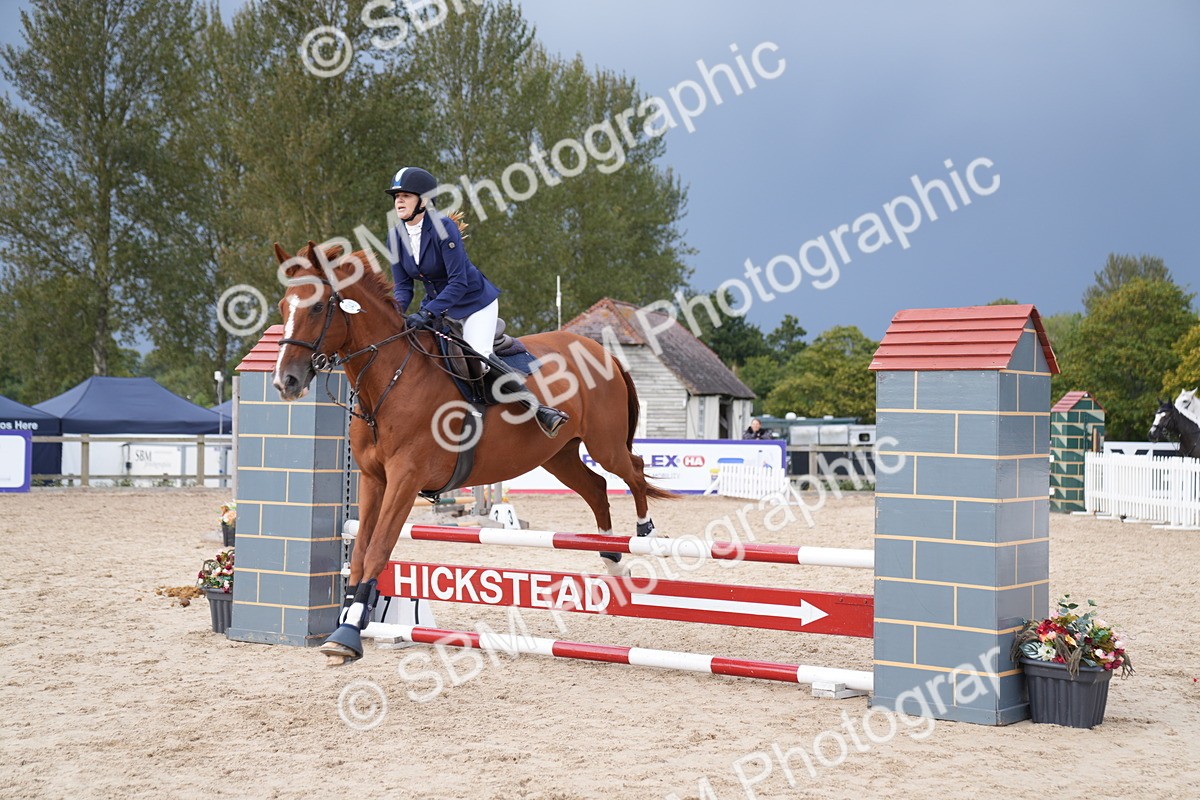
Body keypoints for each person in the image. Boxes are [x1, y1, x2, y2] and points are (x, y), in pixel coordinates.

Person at [385, 166, 568, 437]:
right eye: (396, 196)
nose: (399, 201)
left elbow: (458, 281)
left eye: (406, 195)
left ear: (423, 201)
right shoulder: (395, 236)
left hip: (474, 303)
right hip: (439, 308)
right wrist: (395, 314)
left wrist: (427, 312)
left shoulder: (443, 228)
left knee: (478, 356)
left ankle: (540, 410)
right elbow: (403, 287)